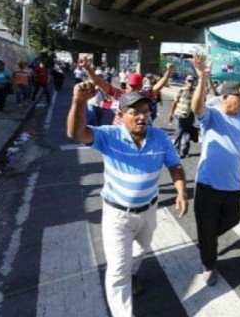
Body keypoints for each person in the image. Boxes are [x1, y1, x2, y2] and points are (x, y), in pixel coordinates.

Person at [67, 86, 188, 317]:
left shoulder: (160, 137)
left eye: (145, 111)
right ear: (121, 116)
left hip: (149, 210)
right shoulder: (108, 136)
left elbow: (175, 165)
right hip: (117, 214)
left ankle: (131, 273)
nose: (142, 116)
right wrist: (78, 102)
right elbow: (76, 133)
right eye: (135, 112)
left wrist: (181, 192)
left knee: (140, 251)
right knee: (117, 270)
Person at [191, 53, 240, 286]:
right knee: (207, 228)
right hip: (208, 184)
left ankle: (207, 240)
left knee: (233, 219)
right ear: (225, 97)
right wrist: (202, 79)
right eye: (239, 97)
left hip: (234, 183)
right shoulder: (213, 115)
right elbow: (197, 108)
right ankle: (209, 264)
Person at [168, 75, 197, 158]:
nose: (190, 83)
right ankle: (176, 152)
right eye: (189, 81)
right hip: (179, 115)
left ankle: (185, 152)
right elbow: (175, 102)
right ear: (185, 81)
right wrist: (171, 114)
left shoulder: (195, 92)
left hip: (190, 116)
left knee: (187, 136)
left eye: (192, 81)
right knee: (178, 134)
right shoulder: (181, 90)